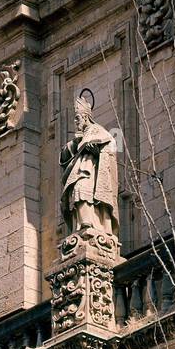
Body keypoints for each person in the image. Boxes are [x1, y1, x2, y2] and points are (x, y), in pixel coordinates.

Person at [60, 89, 119, 238]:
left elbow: (110, 145)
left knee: (82, 189)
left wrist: (96, 151)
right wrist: (74, 145)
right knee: (76, 192)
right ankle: (81, 224)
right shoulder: (78, 138)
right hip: (80, 169)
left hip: (91, 171)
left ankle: (90, 222)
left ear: (86, 118)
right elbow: (66, 154)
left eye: (77, 118)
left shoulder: (97, 130)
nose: (75, 122)